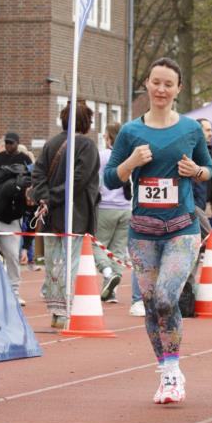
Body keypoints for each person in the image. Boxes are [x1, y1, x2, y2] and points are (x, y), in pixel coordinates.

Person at [104, 57, 212, 405]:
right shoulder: (130, 132)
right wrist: (131, 162)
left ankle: (174, 366)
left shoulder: (191, 129)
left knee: (166, 297)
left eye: (168, 84)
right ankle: (167, 373)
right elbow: (110, 178)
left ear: (178, 89)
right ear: (147, 85)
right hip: (142, 231)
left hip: (182, 228)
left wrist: (196, 171)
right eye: (156, 82)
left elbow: (209, 168)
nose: (161, 89)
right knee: (151, 304)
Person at [31, 101, 100, 329]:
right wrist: (53, 196)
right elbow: (80, 180)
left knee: (53, 263)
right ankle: (66, 310)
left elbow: (38, 173)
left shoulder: (51, 144)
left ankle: (56, 311)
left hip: (50, 214)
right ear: (87, 121)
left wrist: (45, 198)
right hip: (76, 214)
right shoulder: (87, 146)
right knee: (71, 262)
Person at [0, 170, 37, 306]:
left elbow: (31, 225)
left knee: (13, 255)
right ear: (26, 191)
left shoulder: (38, 199)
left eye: (33, 203)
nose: (30, 204)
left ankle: (14, 293)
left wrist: (25, 248)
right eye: (28, 201)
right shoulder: (11, 187)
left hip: (12, 223)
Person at [94, 122, 131, 305]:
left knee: (97, 245)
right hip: (126, 207)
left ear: (108, 138)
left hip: (106, 206)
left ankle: (108, 274)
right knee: (118, 250)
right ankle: (112, 291)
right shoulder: (130, 156)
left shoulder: (102, 156)